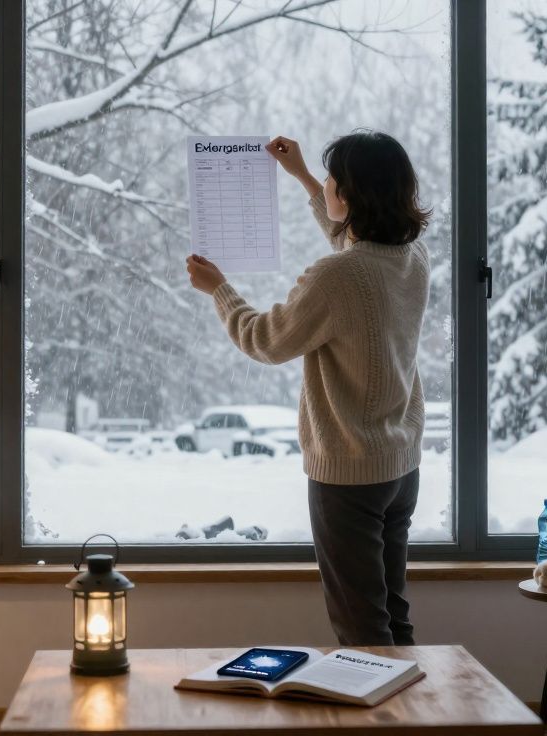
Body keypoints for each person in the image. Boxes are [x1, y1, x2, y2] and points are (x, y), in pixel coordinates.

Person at [185, 130, 431, 646]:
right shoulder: (411, 258)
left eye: (333, 181)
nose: (329, 188)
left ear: (352, 193)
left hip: (350, 472)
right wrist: (300, 175)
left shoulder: (337, 277)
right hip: (399, 466)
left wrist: (221, 291)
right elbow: (352, 244)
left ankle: (382, 722)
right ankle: (416, 719)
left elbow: (265, 340)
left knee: (361, 627)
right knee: (392, 614)